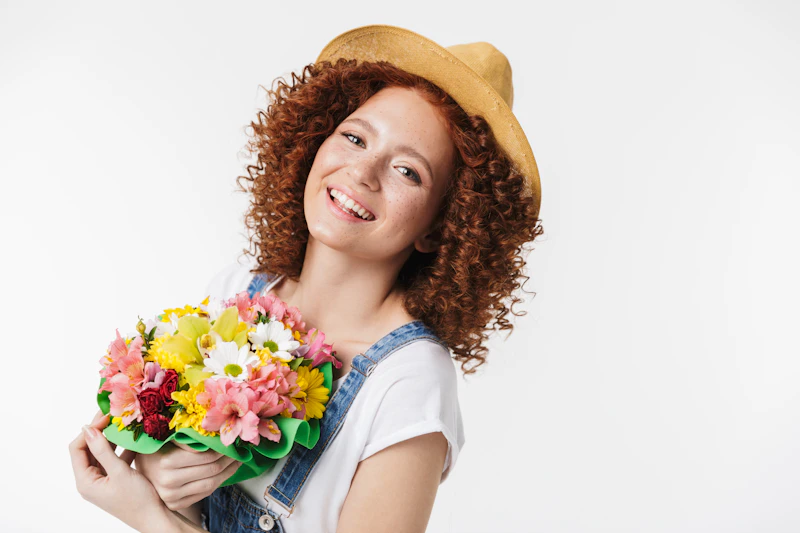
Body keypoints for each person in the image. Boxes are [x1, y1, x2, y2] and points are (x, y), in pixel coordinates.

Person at [70, 24, 543, 532]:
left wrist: (149, 517)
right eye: (355, 137)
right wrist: (162, 475)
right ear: (316, 141)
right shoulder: (235, 292)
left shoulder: (408, 383)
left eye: (409, 171)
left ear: (441, 225)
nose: (363, 173)